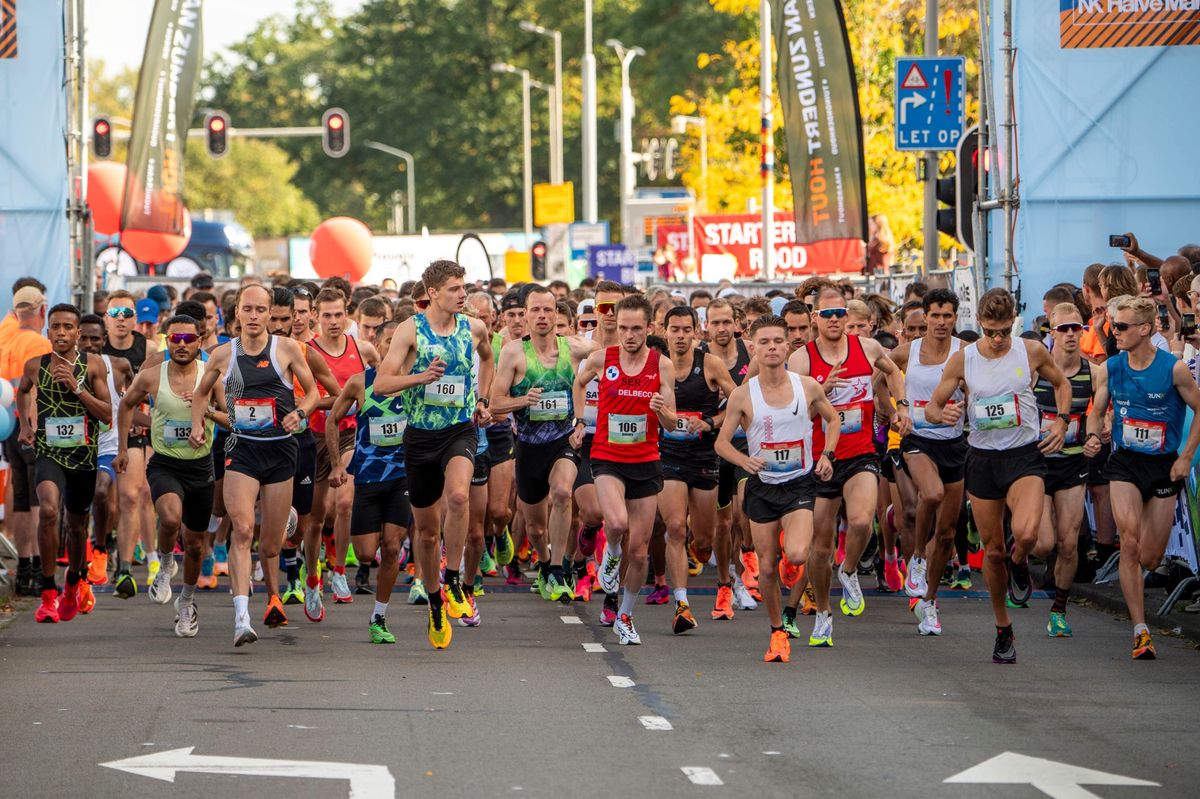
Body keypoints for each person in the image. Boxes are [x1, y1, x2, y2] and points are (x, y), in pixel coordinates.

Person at [925, 288, 1071, 663]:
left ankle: (1019, 560)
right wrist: (941, 415)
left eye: (1004, 330)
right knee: (991, 552)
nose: (997, 339)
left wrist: (1061, 421)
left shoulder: (1031, 350)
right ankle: (1003, 629)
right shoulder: (964, 359)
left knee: (1026, 534)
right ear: (980, 326)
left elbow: (1062, 383)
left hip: (1024, 456)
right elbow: (932, 407)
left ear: (1013, 324)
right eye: (990, 331)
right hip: (984, 459)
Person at [190, 284, 320, 646]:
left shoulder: (287, 349)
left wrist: (299, 412)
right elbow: (201, 394)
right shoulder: (222, 354)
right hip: (243, 450)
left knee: (273, 544)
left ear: (269, 314)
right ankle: (241, 618)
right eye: (247, 309)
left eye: (260, 310)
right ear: (237, 314)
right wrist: (199, 423)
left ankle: (274, 596)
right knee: (244, 529)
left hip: (281, 451)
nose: (253, 316)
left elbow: (311, 392)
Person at [374, 260, 494, 650]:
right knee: (426, 532)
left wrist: (483, 398)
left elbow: (488, 359)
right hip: (421, 437)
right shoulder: (411, 331)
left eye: (465, 287)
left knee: (459, 497)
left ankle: (455, 579)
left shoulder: (473, 327)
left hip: (459, 430)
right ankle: (435, 601)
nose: (464, 294)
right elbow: (382, 384)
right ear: (434, 293)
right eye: (457, 289)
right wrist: (420, 378)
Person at [787, 281, 911, 646]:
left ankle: (851, 568)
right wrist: (822, 390)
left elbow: (893, 372)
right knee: (819, 548)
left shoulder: (867, 347)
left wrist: (900, 406)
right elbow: (793, 410)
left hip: (859, 454)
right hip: (820, 459)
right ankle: (824, 613)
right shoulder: (803, 359)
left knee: (861, 520)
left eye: (841, 313)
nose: (836, 320)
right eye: (827, 314)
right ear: (815, 318)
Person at [1084, 295, 1200, 660]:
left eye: (1121, 326)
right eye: (1112, 326)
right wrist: (1093, 433)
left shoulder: (1174, 368)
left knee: (1150, 556)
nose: (1113, 332)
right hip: (1125, 464)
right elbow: (1097, 410)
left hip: (1164, 465)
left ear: (1145, 329)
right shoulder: (1111, 368)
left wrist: (1185, 457)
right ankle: (1140, 630)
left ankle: (1142, 613)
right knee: (1130, 542)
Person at [717, 315, 837, 662]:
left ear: (788, 346)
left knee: (798, 554)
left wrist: (827, 454)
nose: (772, 348)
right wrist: (743, 462)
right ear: (753, 348)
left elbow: (833, 419)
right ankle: (777, 632)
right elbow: (722, 443)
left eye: (778, 342)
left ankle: (792, 566)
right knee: (767, 568)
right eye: (764, 342)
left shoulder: (808, 386)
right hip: (762, 487)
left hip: (799, 482)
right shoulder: (743, 394)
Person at [572, 294, 677, 645]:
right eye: (622, 328)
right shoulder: (602, 358)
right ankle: (610, 555)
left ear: (649, 328)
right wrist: (578, 420)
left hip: (645, 460)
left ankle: (626, 616)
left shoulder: (661, 365)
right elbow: (579, 381)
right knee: (616, 523)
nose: (628, 335)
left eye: (635, 329)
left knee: (641, 549)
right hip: (607, 455)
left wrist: (662, 411)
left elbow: (673, 423)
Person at [115, 315, 221, 637]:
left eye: (189, 339)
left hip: (201, 466)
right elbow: (125, 406)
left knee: (194, 544)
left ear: (199, 342)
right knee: (171, 519)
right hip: (165, 463)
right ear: (167, 341)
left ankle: (186, 602)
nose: (182, 345)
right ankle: (164, 564)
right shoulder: (150, 377)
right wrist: (122, 448)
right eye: (176, 339)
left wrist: (205, 412)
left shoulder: (211, 376)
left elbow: (233, 418)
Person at [491, 286, 594, 603]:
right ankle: (546, 563)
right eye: (534, 310)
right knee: (535, 528)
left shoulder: (574, 348)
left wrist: (580, 420)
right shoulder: (513, 353)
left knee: (563, 492)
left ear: (557, 314)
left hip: (562, 441)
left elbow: (610, 356)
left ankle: (561, 569)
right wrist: (524, 399)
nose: (541, 316)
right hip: (528, 445)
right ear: (525, 314)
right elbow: (495, 403)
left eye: (548, 310)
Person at [16, 304, 112, 623]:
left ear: (77, 333)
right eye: (55, 327)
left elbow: (107, 415)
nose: (61, 332)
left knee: (76, 525)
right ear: (48, 332)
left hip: (83, 455)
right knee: (48, 510)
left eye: (67, 327)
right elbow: (22, 392)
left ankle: (74, 582)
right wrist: (26, 427)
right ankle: (47, 594)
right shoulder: (35, 365)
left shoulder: (93, 365)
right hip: (48, 452)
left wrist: (76, 386)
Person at [328, 321, 414, 643]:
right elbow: (333, 420)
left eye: (400, 344)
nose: (394, 349)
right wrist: (337, 464)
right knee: (365, 553)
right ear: (377, 345)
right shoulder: (359, 383)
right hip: (366, 476)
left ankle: (379, 617)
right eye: (388, 343)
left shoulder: (414, 384)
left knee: (392, 547)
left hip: (401, 476)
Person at [891, 289, 968, 634]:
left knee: (949, 532)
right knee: (931, 494)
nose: (941, 322)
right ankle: (918, 556)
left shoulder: (965, 352)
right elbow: (881, 376)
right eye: (935, 316)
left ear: (955, 318)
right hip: (918, 439)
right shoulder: (908, 351)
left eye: (947, 316)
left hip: (954, 443)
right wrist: (893, 410)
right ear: (924, 317)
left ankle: (930, 602)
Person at [658, 306, 737, 633]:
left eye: (685, 330)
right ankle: (682, 604)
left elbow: (739, 401)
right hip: (668, 456)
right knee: (675, 527)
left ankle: (697, 550)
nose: (679, 336)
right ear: (664, 332)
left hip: (704, 459)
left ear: (695, 332)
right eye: (673, 330)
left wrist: (710, 423)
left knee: (704, 543)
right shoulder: (656, 365)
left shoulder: (710, 364)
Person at [307, 287, 380, 602]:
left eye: (338, 314)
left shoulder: (363, 350)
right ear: (316, 315)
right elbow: (303, 399)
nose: (333, 321)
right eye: (326, 315)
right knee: (317, 515)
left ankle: (339, 572)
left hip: (352, 434)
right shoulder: (306, 351)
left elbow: (380, 384)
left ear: (347, 313)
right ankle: (312, 578)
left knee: (346, 502)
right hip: (316, 437)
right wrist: (338, 401)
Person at [1032, 302, 1097, 637]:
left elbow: (1101, 411)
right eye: (1064, 329)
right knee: (1042, 544)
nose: (1071, 334)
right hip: (1038, 463)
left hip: (1073, 464)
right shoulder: (1036, 370)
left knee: (1068, 544)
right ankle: (1017, 561)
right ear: (1051, 332)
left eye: (1077, 328)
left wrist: (1096, 435)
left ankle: (1058, 610)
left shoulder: (1093, 372)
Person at [699, 297, 759, 618]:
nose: (721, 329)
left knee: (743, 515)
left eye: (726, 322)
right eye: (715, 323)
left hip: (744, 444)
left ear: (737, 323)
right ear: (706, 325)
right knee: (721, 525)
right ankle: (726, 581)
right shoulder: (700, 357)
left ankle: (744, 577)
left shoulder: (752, 351)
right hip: (710, 446)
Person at [103, 290, 158, 598]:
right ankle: (122, 563)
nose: (121, 319)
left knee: (141, 494)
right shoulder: (99, 348)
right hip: (108, 430)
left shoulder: (148, 347)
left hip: (142, 426)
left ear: (135, 318)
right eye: (115, 314)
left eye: (127, 313)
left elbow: (155, 389)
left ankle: (149, 559)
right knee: (122, 499)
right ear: (106, 319)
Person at [0, 285, 51, 597]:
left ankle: (23, 570)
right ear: (42, 310)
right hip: (28, 428)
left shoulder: (6, 338)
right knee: (34, 502)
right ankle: (32, 569)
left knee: (20, 500)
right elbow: (31, 390)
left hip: (8, 428)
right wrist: (32, 428)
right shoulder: (37, 342)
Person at [77, 315, 130, 589]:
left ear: (104, 340)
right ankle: (76, 564)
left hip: (106, 447)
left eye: (95, 338)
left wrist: (138, 425)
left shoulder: (119, 366)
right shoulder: (60, 367)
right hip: (72, 447)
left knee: (100, 492)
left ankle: (100, 548)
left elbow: (131, 401)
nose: (89, 344)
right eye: (83, 337)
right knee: (71, 508)